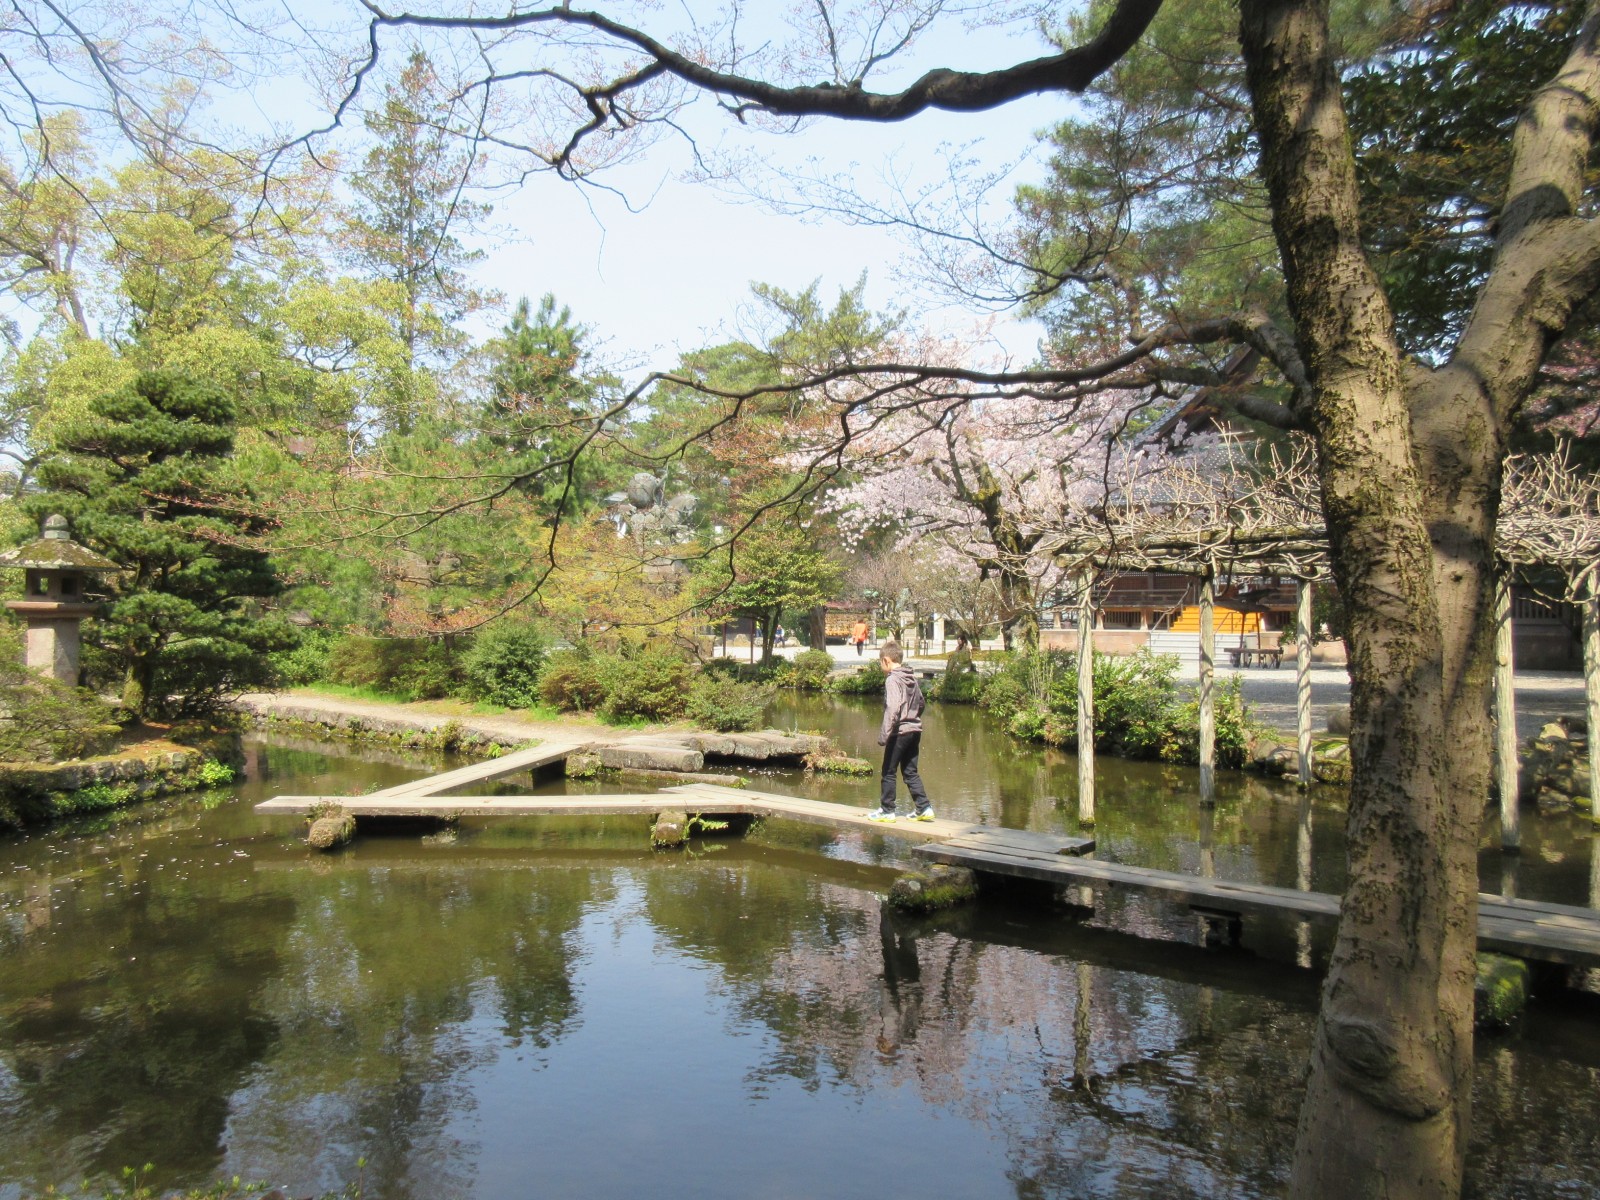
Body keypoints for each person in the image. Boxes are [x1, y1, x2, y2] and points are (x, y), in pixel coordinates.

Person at [867, 640, 933, 823]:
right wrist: (913, 718)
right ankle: (924, 808)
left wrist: (884, 734)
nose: (881, 666)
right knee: (910, 771)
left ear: (886, 661)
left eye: (880, 663)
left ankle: (887, 810)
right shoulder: (911, 677)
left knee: (888, 771)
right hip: (915, 730)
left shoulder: (892, 679)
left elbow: (893, 707)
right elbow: (921, 702)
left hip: (900, 732)